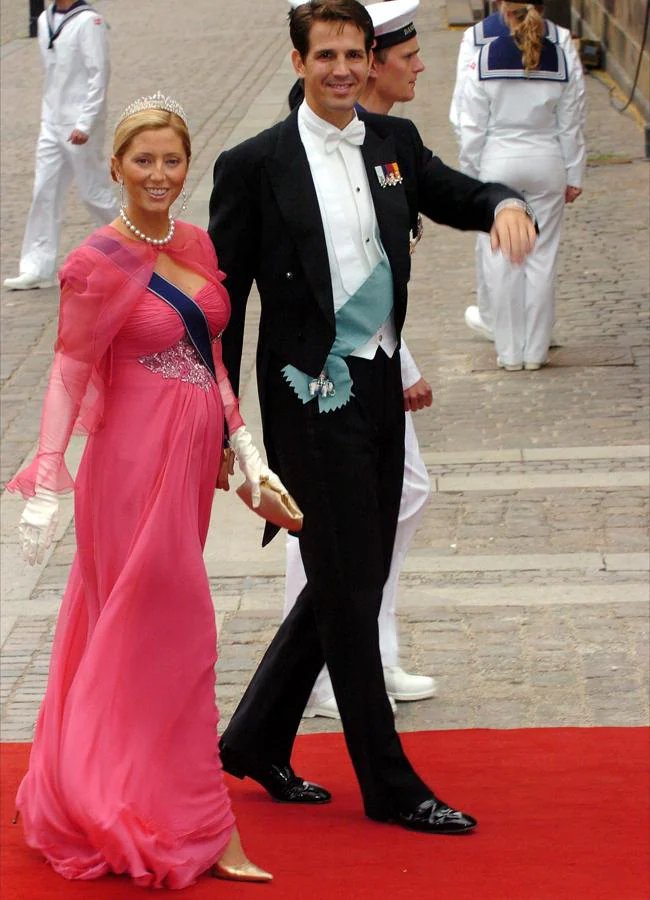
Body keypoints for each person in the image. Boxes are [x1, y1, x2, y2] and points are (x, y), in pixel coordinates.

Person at [208, 0, 535, 835]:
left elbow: (456, 194)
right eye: (327, 56)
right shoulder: (255, 164)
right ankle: (388, 784)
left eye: (355, 54)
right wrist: (223, 422)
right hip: (306, 396)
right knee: (351, 588)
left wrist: (499, 201)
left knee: (349, 571)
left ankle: (251, 738)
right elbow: (227, 302)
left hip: (378, 385)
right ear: (298, 62)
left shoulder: (395, 145)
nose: (345, 69)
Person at [6, 92, 283, 887]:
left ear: (187, 164)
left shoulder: (194, 241)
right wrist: (47, 482)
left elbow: (213, 357)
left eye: (172, 160)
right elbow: (67, 373)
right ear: (118, 166)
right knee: (175, 632)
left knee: (122, 631)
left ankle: (74, 781)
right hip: (128, 470)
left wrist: (242, 442)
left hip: (192, 466)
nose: (159, 174)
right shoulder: (95, 261)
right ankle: (197, 819)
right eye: (143, 160)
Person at [284, 0, 435, 720]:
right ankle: (327, 670)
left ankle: (373, 645)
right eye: (409, 55)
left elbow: (380, 274)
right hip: (326, 373)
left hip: (376, 355)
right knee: (321, 520)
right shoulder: (292, 155)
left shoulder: (390, 145)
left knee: (397, 496)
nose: (419, 66)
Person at [458, 1, 585, 370]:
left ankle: (509, 352)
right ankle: (536, 351)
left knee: (502, 256)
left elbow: (471, 125)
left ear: (502, 8)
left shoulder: (485, 53)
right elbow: (572, 121)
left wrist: (470, 174)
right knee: (541, 258)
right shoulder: (561, 53)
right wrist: (574, 174)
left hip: (498, 162)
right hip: (547, 160)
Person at [4, 0, 118, 291]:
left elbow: (98, 74)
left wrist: (86, 123)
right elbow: (53, 75)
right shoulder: (44, 19)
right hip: (52, 122)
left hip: (80, 123)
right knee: (44, 190)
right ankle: (37, 266)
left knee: (94, 193)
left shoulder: (89, 21)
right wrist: (49, 117)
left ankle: (131, 254)